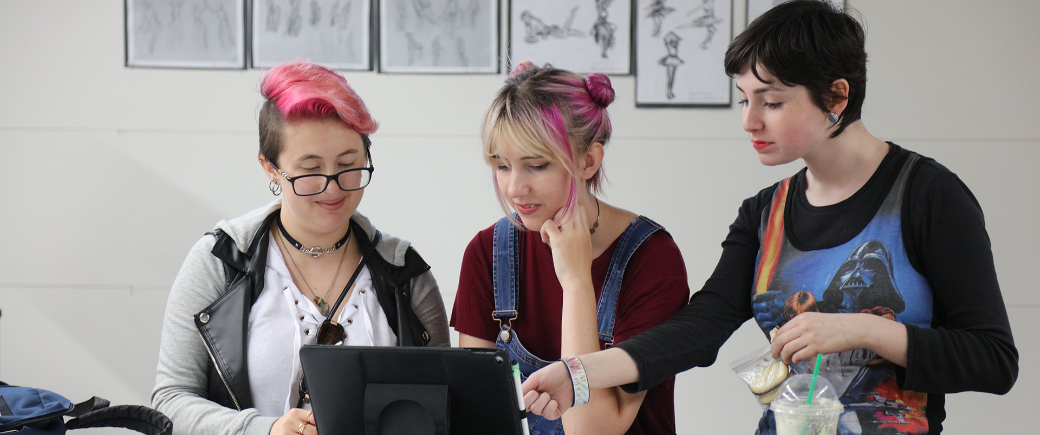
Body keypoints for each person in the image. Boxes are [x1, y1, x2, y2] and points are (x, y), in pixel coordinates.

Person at [520, 2, 1018, 434]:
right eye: (744, 100)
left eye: (772, 102)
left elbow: (993, 361)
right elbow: (699, 328)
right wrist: (579, 373)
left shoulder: (929, 196)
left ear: (837, 98)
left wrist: (862, 330)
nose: (749, 121)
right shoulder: (764, 213)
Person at [152, 60, 450, 435]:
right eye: (310, 170)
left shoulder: (405, 272)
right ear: (270, 168)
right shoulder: (220, 261)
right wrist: (263, 430)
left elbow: (443, 405)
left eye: (348, 164)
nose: (333, 187)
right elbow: (171, 400)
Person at [450, 62, 690, 435]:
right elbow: (476, 413)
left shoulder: (653, 260)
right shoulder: (487, 252)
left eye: (537, 165)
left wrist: (577, 281)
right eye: (502, 165)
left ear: (588, 161)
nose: (514, 188)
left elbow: (591, 431)